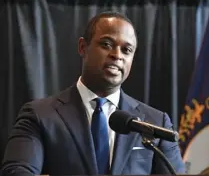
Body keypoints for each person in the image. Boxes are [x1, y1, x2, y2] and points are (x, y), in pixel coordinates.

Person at [1, 11, 185, 175]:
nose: (117, 55)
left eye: (126, 50)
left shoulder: (155, 123)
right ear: (83, 47)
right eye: (106, 44)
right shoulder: (40, 115)